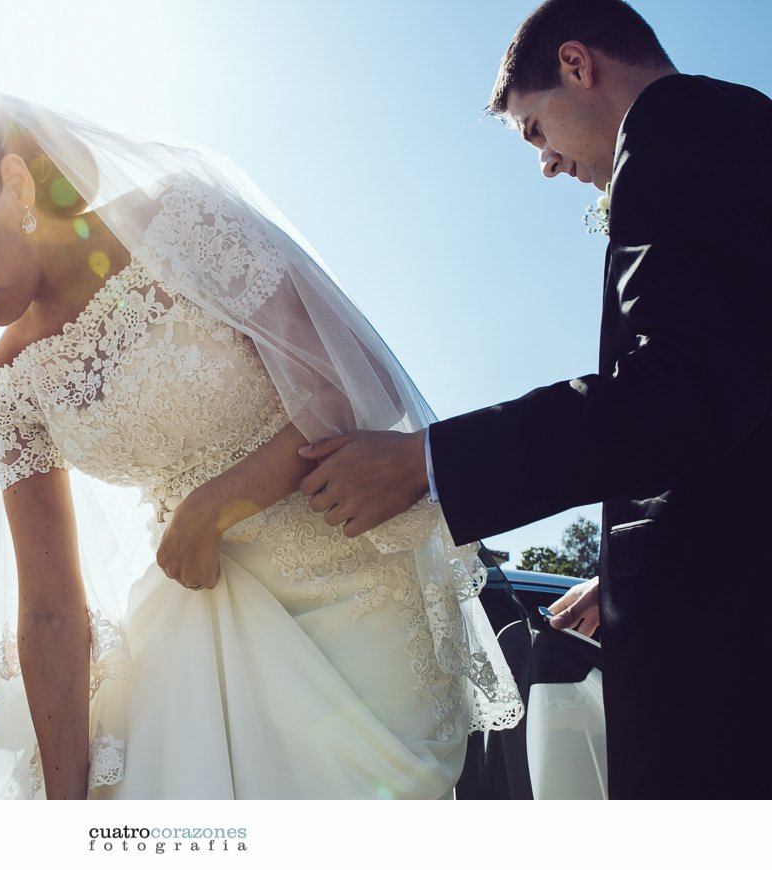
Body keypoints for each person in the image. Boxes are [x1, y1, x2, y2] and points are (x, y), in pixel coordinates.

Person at [0, 85, 523, 800]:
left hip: (357, 595)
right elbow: (51, 608)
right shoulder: (8, 378)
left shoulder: (182, 223)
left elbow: (351, 379)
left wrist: (213, 506)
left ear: (15, 181)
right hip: (197, 619)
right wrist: (69, 811)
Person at [298, 0, 772, 799]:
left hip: (724, 647)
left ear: (579, 65)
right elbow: (740, 391)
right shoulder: (748, 119)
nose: (546, 163)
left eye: (534, 131)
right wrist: (617, 568)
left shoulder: (675, 123)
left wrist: (429, 460)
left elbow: (680, 389)